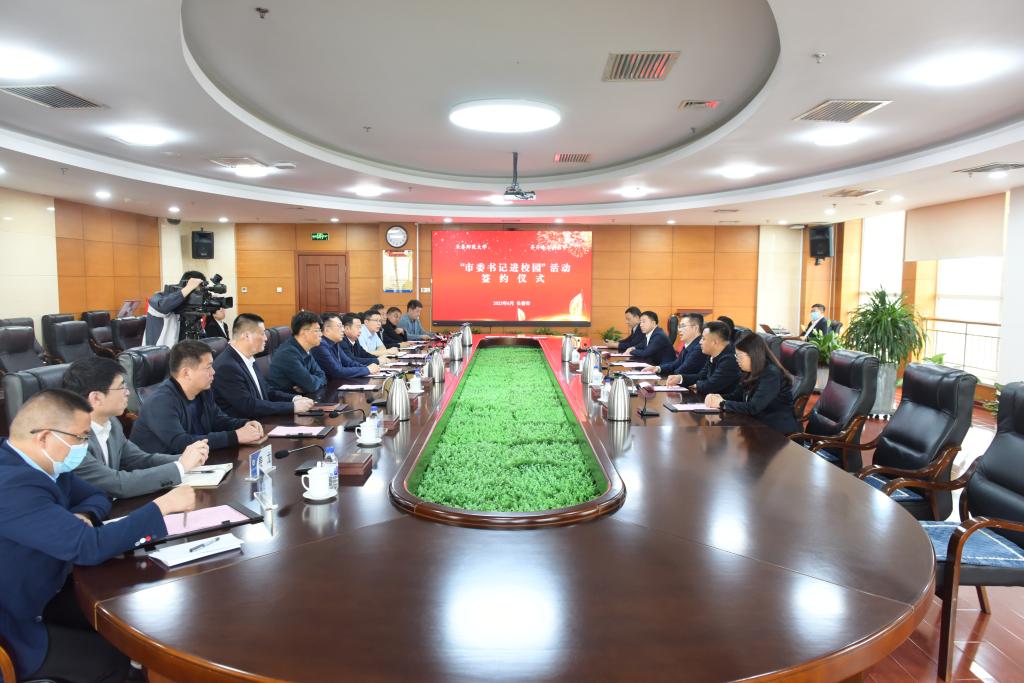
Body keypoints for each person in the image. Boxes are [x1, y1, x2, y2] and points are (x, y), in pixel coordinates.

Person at [0, 389, 195, 683]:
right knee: (116, 660)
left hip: (51, 590)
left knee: (130, 613)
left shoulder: (44, 464)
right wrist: (161, 507)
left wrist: (85, 515)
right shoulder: (10, 485)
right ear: (44, 437)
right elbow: (88, 546)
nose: (84, 446)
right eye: (80, 437)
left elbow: (97, 495)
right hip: (17, 626)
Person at [62, 356, 210, 498]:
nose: (127, 392)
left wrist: (185, 458)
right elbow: (118, 484)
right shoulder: (72, 440)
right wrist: (181, 467)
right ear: (96, 398)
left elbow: (139, 460)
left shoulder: (111, 422)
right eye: (121, 387)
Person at [130, 340, 264, 453]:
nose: (213, 372)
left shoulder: (203, 391)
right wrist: (235, 436)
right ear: (186, 373)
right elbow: (182, 443)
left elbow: (218, 420)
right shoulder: (161, 402)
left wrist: (245, 424)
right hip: (163, 470)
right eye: (208, 367)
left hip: (197, 463)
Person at [213, 313, 315, 418]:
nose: (266, 338)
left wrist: (295, 398)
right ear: (247, 336)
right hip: (246, 424)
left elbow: (266, 391)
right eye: (262, 333)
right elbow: (249, 406)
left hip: (262, 419)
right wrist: (292, 407)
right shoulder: (227, 366)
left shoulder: (249, 358)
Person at [705, 332, 799, 434]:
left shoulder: (771, 374)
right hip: (756, 425)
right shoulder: (749, 371)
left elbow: (754, 407)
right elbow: (737, 396)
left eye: (740, 356)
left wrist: (722, 403)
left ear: (753, 355)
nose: (737, 360)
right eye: (736, 356)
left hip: (776, 431)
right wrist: (717, 397)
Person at [669, 320, 741, 396]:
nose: (700, 342)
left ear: (714, 342)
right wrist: (680, 378)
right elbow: (701, 376)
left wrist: (697, 385)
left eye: (703, 339)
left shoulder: (730, 359)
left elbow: (712, 385)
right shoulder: (712, 354)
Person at [268, 311, 327, 394]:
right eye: (317, 330)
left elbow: (322, 375)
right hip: (286, 400)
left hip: (303, 397)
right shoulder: (288, 354)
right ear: (304, 332)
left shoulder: (306, 349)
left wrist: (307, 386)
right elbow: (311, 385)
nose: (321, 334)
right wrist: (310, 385)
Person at [143, 270, 206, 346]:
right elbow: (163, 306)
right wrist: (188, 288)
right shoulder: (159, 297)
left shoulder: (190, 306)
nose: (197, 295)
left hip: (184, 350)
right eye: (195, 291)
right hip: (159, 351)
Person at [313, 313, 380, 379]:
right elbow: (337, 371)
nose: (343, 329)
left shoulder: (335, 343)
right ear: (327, 330)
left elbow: (349, 362)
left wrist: (367, 368)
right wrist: (367, 370)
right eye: (339, 326)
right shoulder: (320, 345)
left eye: (342, 326)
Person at [644, 313, 707, 377]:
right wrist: (658, 368)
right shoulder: (689, 344)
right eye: (679, 326)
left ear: (695, 328)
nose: (679, 330)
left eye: (683, 326)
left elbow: (683, 370)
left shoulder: (700, 347)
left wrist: (667, 378)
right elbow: (676, 364)